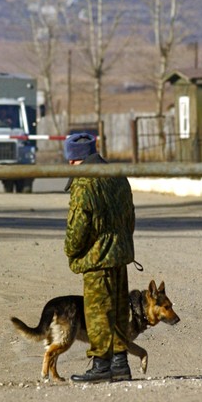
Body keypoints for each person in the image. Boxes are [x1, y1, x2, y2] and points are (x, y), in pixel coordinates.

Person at [63, 133, 136, 383]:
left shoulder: (83, 182)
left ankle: (101, 366)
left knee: (98, 313)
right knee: (117, 310)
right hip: (120, 252)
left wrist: (72, 251)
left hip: (97, 257)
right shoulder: (117, 174)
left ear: (75, 159)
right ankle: (120, 363)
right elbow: (130, 216)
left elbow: (78, 226)